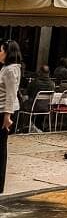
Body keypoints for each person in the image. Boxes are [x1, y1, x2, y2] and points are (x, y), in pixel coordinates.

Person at [0, 40, 23, 193]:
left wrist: (7, 116)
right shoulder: (8, 68)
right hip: (2, 110)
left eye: (1, 50)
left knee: (1, 147)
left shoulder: (10, 70)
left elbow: (10, 94)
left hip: (2, 111)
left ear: (8, 53)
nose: (0, 53)